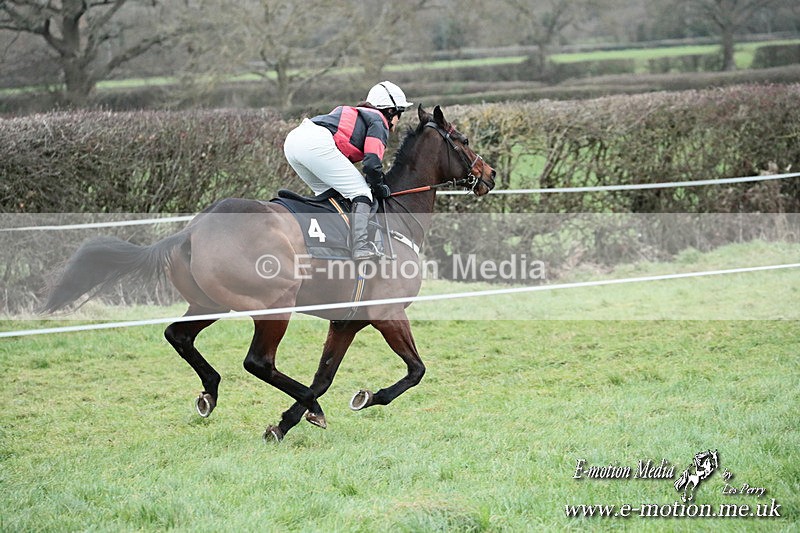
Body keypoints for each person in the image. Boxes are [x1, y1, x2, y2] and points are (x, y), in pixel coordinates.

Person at [283, 81, 412, 260]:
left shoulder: (360, 114)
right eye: (400, 113)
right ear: (391, 111)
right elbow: (372, 163)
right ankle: (360, 247)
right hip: (314, 143)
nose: (399, 120)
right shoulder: (379, 121)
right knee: (362, 193)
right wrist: (378, 186)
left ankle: (330, 245)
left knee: (331, 196)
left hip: (292, 142)